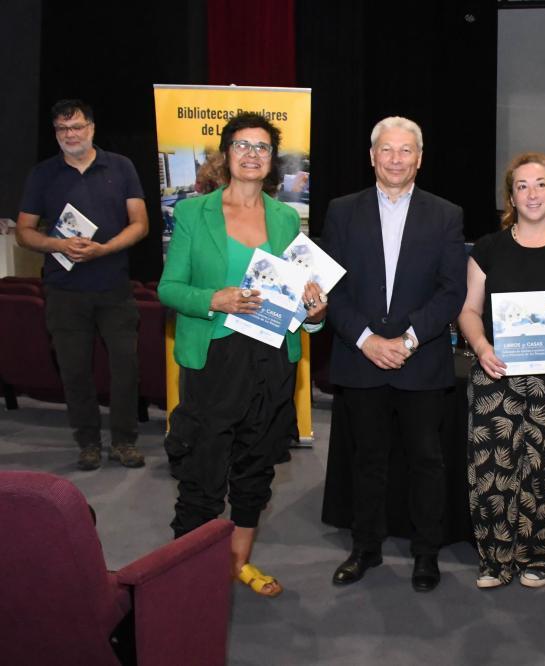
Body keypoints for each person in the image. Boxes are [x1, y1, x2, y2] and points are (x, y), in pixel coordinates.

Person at [158, 112, 328, 598]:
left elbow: (301, 299)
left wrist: (315, 313)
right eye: (242, 145)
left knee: (255, 469)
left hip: (273, 359)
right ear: (226, 154)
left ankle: (237, 564)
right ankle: (189, 583)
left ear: (272, 159)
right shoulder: (194, 213)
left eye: (262, 147)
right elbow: (169, 288)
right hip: (215, 358)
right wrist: (214, 298)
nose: (252, 154)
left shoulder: (285, 218)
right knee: (203, 471)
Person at [322, 116, 466, 593]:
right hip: (360, 357)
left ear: (419, 159)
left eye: (406, 150)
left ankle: (426, 553)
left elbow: (451, 291)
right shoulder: (342, 211)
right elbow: (331, 287)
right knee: (367, 460)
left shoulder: (446, 214)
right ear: (372, 156)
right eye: (387, 149)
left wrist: (406, 341)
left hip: (420, 361)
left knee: (426, 461)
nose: (396, 159)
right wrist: (366, 339)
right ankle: (365, 548)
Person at [458, 152, 545, 589]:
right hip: (496, 369)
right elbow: (468, 311)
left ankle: (540, 558)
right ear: (512, 196)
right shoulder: (488, 249)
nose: (532, 193)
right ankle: (496, 560)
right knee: (491, 470)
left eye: (541, 184)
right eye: (522, 186)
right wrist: (481, 346)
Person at [16, 99, 148, 471]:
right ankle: (88, 443)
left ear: (91, 127)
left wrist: (104, 249)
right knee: (74, 372)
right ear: (56, 133)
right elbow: (24, 232)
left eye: (76, 127)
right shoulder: (42, 174)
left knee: (126, 369)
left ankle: (124, 441)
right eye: (62, 129)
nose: (70, 135)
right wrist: (57, 245)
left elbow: (140, 224)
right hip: (63, 292)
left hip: (115, 288)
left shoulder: (121, 166)